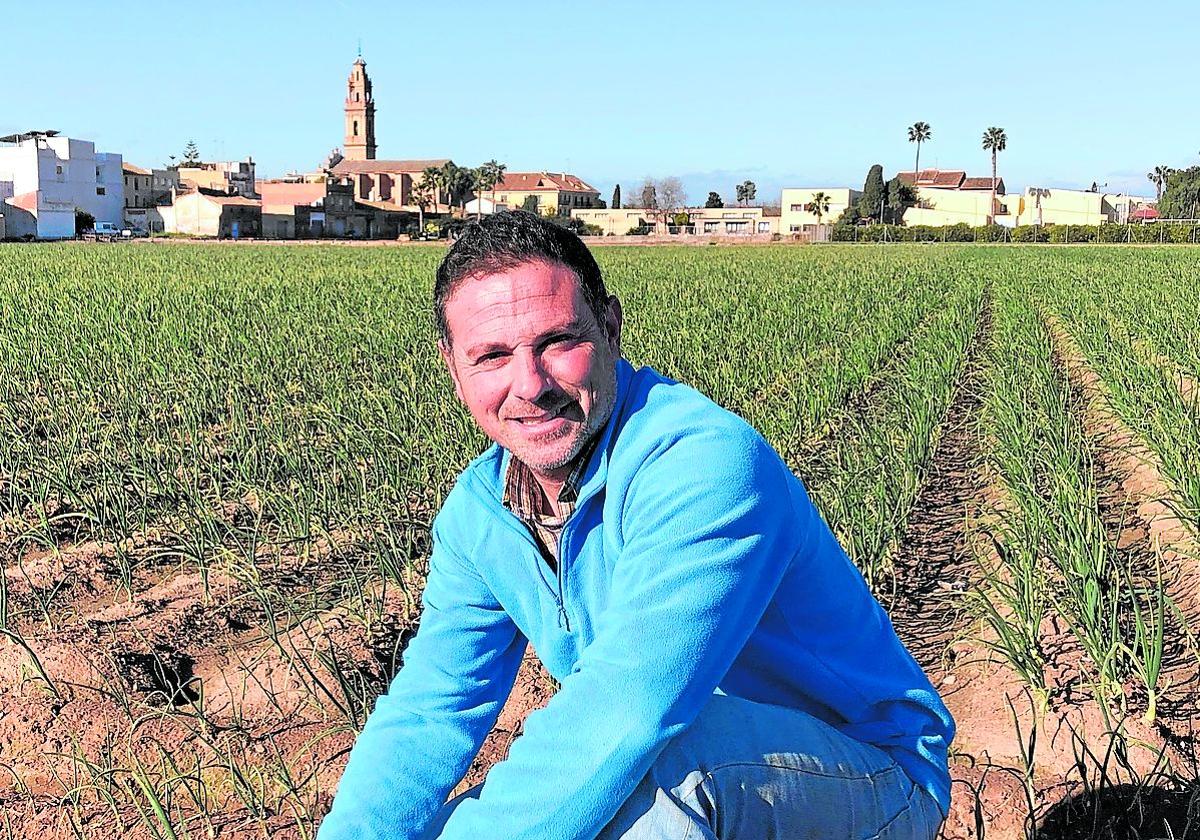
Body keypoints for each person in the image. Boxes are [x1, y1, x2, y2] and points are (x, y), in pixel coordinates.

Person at [317, 211, 954, 839]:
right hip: (689, 749)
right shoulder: (480, 514)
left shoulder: (703, 462)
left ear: (611, 330)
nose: (530, 384)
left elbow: (628, 709)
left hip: (868, 773)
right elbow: (432, 709)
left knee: (659, 778)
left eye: (558, 342)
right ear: (453, 368)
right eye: (491, 356)